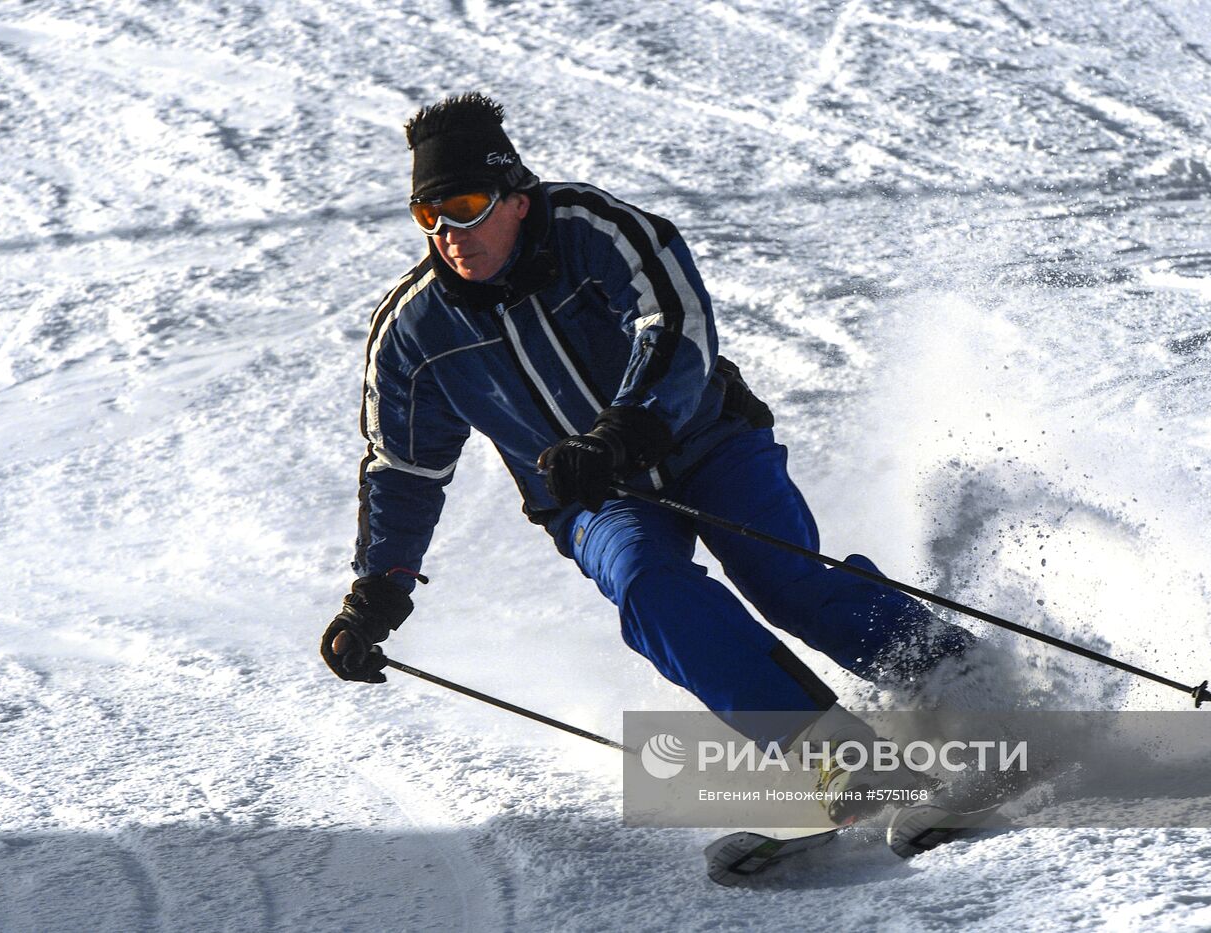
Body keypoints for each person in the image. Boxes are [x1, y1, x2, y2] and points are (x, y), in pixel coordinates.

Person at [319, 93, 975, 825]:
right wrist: (377, 592)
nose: (448, 232)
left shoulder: (592, 229)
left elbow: (675, 322)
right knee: (649, 588)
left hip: (703, 439)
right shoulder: (415, 332)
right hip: (591, 501)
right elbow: (402, 470)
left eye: (466, 204)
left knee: (785, 580)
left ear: (516, 197)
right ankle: (843, 762)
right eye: (427, 216)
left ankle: (963, 680)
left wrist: (626, 429)